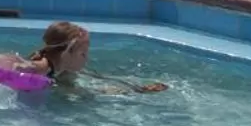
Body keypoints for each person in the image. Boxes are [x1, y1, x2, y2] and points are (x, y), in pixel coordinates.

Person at [23, 21, 167, 93]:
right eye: (83, 54)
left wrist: (137, 90)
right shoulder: (43, 66)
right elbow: (18, 70)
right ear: (67, 52)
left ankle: (136, 90)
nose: (86, 58)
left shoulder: (65, 68)